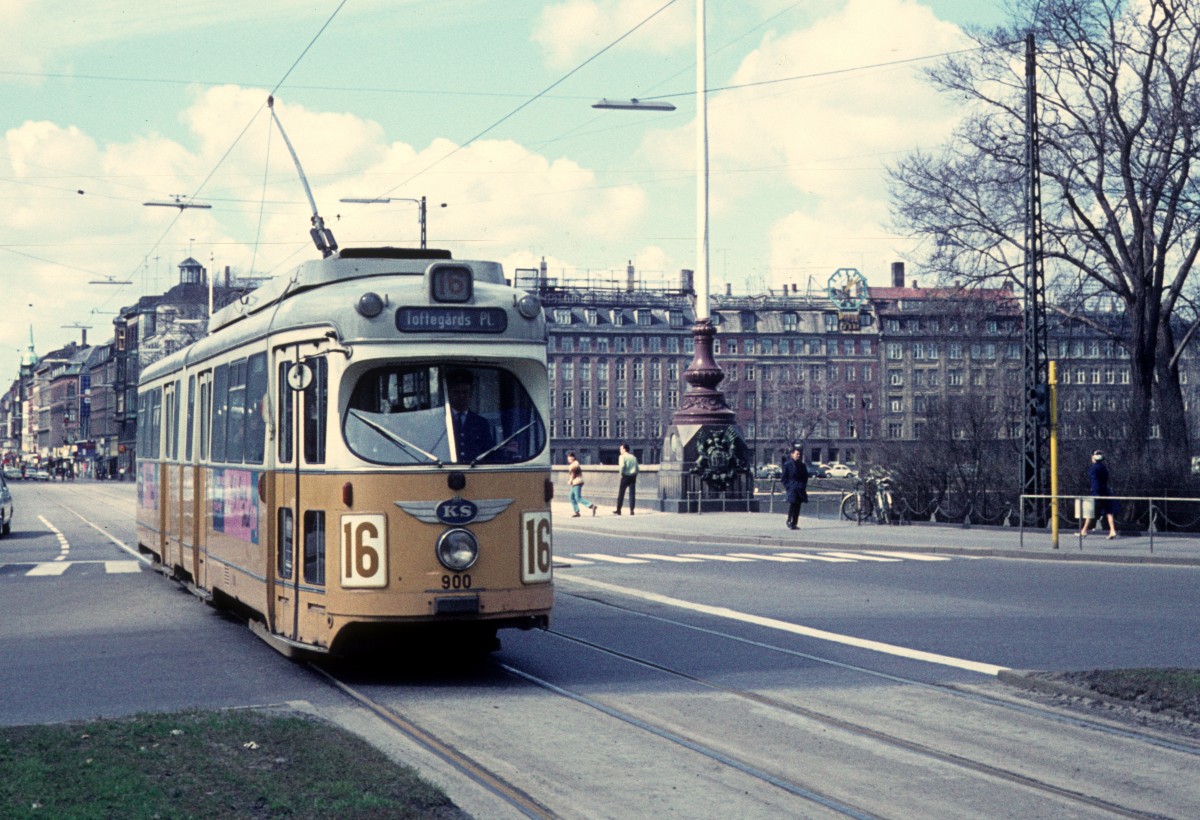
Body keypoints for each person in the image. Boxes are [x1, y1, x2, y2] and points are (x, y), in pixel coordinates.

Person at [446, 369, 494, 462]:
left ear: (471, 394)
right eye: (456, 392)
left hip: (475, 471)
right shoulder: (442, 421)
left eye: (465, 392)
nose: (461, 396)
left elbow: (489, 451)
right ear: (449, 394)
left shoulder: (481, 422)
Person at [1080, 449, 1118, 539]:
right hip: (1105, 491)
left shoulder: (1094, 468)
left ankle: (1084, 531)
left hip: (1097, 493)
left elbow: (1095, 481)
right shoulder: (1104, 467)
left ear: (1093, 457)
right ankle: (1112, 530)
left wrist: (1095, 492)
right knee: (1108, 512)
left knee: (1090, 511)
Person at [780, 447, 809, 530]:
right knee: (792, 504)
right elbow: (783, 478)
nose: (798, 456)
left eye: (799, 454)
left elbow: (805, 477)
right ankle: (789, 521)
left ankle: (794, 523)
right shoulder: (787, 465)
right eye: (797, 454)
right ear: (792, 454)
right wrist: (788, 487)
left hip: (800, 488)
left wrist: (803, 486)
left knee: (798, 506)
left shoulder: (802, 465)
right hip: (792, 488)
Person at [565, 451, 598, 517]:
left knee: (578, 498)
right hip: (576, 482)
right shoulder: (574, 463)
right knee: (571, 496)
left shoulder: (574, 464)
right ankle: (577, 512)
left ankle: (591, 506)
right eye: (569, 457)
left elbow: (573, 474)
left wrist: (570, 481)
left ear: (574, 457)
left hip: (577, 482)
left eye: (571, 457)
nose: (570, 458)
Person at [613, 443, 639, 515]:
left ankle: (619, 510)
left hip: (625, 476)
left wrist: (621, 474)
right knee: (632, 494)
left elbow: (622, 466)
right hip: (633, 477)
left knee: (621, 493)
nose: (620, 450)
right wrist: (635, 474)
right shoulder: (633, 457)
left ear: (624, 449)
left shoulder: (622, 457)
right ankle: (632, 510)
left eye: (621, 449)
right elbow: (637, 468)